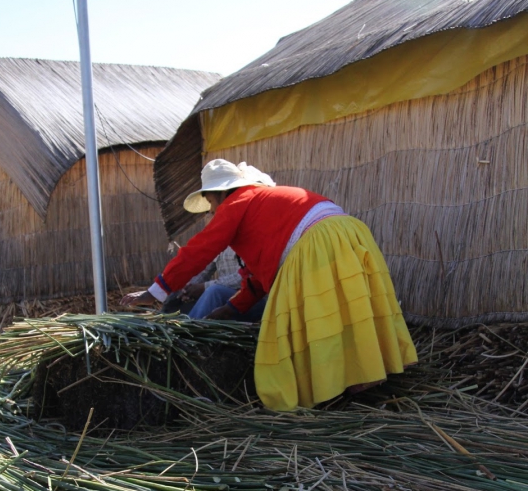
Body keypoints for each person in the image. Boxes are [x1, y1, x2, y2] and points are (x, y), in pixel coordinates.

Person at [122, 159, 417, 411]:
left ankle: (329, 388)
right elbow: (256, 278)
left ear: (221, 193)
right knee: (349, 311)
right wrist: (229, 309)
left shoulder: (238, 201)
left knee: (301, 325)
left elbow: (200, 249)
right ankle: (366, 377)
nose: (211, 212)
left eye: (211, 203)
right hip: (349, 233)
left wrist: (154, 292)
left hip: (317, 243)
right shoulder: (264, 208)